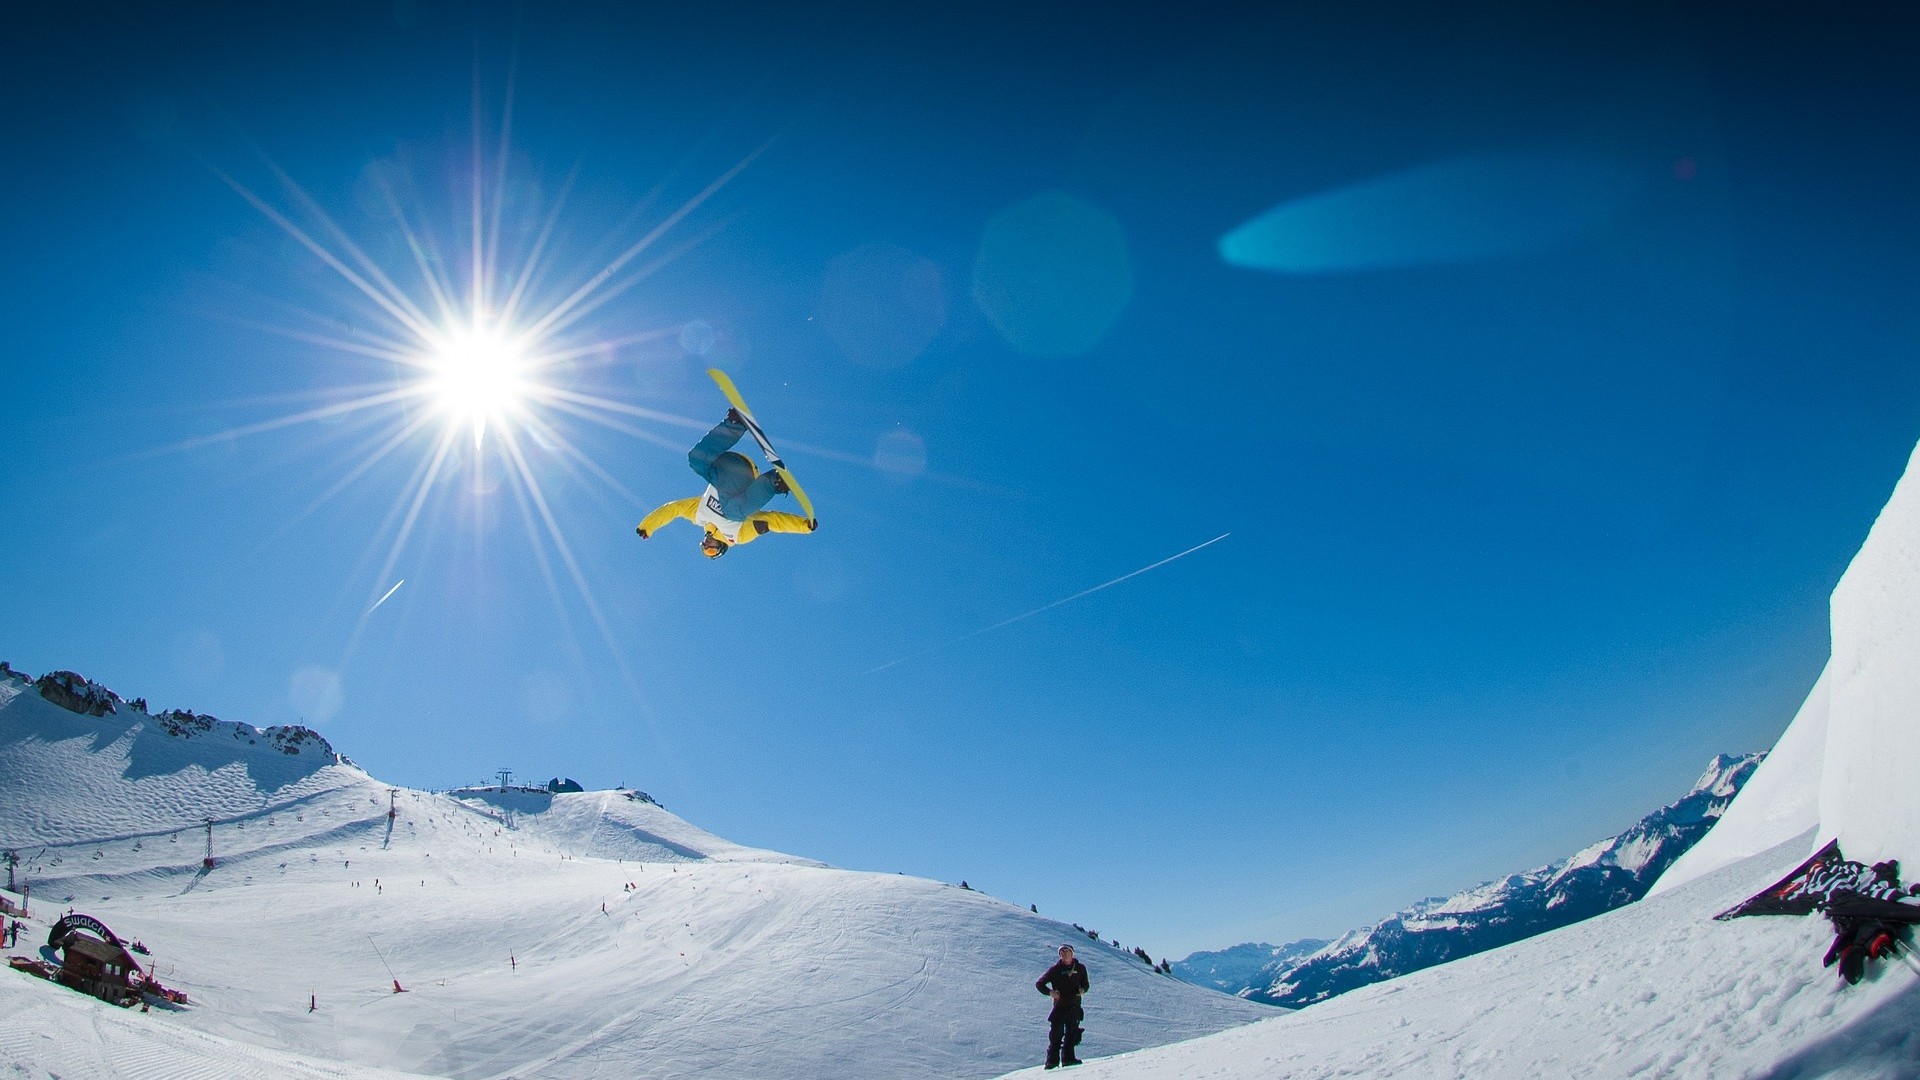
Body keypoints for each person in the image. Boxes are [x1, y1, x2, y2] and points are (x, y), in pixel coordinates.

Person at [636, 410, 815, 558]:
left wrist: (647, 527)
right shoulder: (738, 536)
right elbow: (772, 520)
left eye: (703, 547)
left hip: (725, 466)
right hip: (745, 478)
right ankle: (776, 482)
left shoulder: (698, 515)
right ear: (721, 548)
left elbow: (672, 509)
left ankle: (734, 424)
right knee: (732, 512)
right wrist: (803, 526)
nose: (706, 545)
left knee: (696, 460)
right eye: (710, 550)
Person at [1035, 943, 1090, 1069]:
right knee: (1056, 1036)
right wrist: (1050, 992)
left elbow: (1086, 984)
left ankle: (1068, 1059)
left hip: (1075, 1006)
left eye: (1067, 951)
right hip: (1060, 1007)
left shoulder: (1081, 968)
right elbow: (1039, 984)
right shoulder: (1055, 970)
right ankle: (1052, 1062)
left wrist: (1083, 990)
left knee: (1071, 1035)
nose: (1065, 954)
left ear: (1072, 953)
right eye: (1062, 952)